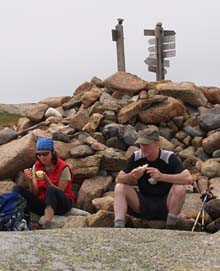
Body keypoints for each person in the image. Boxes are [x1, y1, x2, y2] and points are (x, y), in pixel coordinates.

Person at [114, 127, 193, 228]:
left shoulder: (168, 157)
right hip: (143, 204)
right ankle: (118, 226)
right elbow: (118, 179)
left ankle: (171, 226)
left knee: (179, 188)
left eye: (146, 144)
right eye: (141, 144)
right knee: (120, 187)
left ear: (156, 143)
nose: (143, 147)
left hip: (166, 205)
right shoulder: (136, 156)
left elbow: (188, 179)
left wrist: (162, 177)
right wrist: (131, 176)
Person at [13, 136, 75, 229]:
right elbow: (35, 193)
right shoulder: (36, 166)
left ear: (52, 152)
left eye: (45, 154)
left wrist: (46, 180)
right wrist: (30, 180)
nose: (42, 157)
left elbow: (60, 192)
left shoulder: (63, 168)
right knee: (17, 189)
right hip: (43, 203)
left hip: (62, 205)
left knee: (51, 189)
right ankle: (17, 217)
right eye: (39, 154)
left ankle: (45, 222)